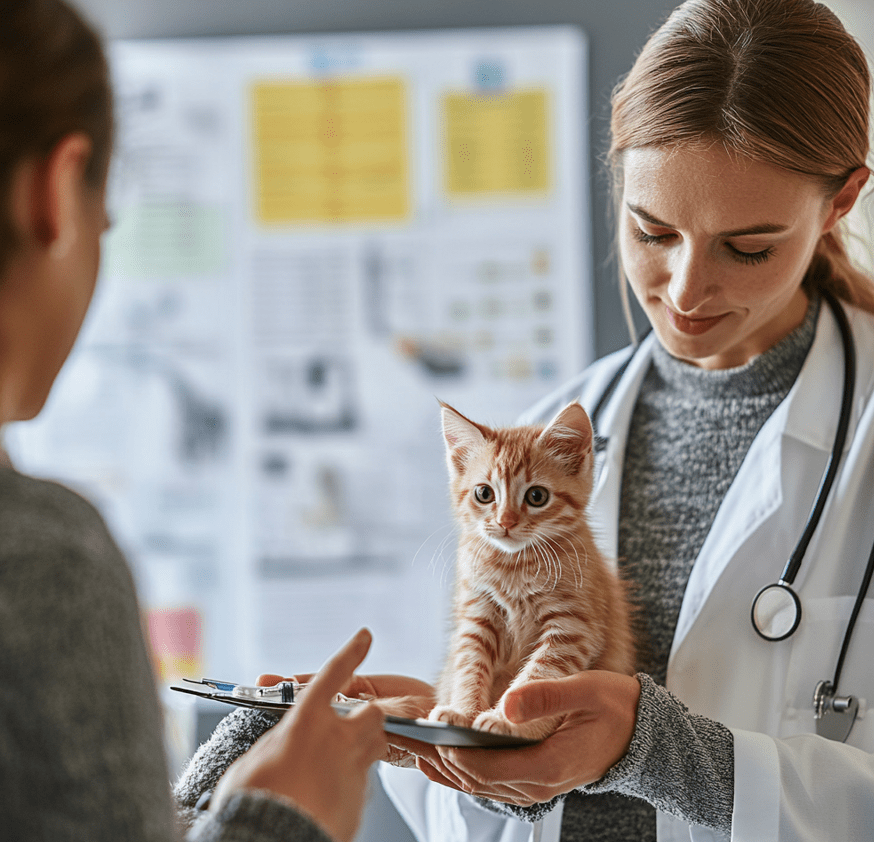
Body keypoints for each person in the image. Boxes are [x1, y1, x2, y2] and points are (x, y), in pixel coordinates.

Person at [170, 0, 874, 839]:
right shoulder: (547, 436)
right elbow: (496, 807)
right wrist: (448, 742)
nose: (685, 292)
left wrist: (660, 750)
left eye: (747, 247)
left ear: (842, 202)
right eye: (652, 230)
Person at [0, 1, 387, 840]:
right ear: (57, 191)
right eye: (106, 223)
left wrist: (218, 792)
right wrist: (287, 819)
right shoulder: (42, 559)